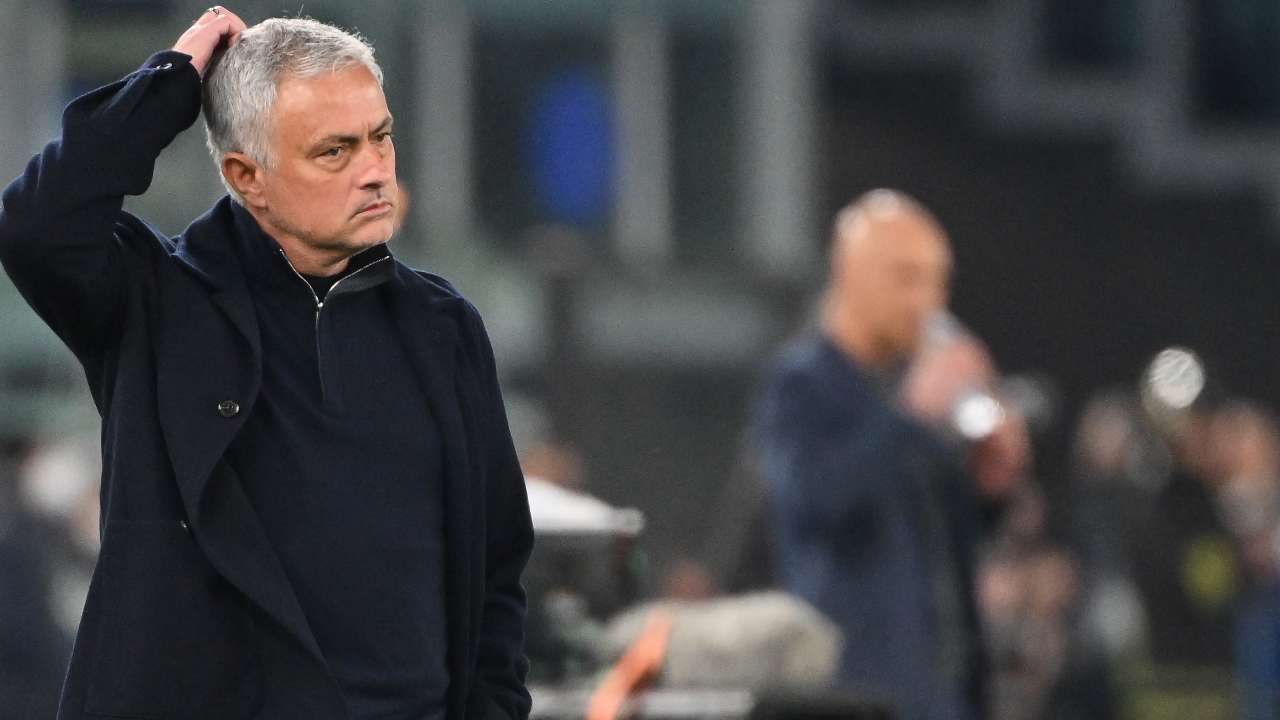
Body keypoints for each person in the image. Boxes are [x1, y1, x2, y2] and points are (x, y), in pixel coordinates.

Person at [0, 8, 532, 720]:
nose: (375, 171)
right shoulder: (156, 302)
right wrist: (168, 84)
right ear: (246, 176)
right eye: (335, 152)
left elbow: (496, 570)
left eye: (380, 136)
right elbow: (38, 226)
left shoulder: (443, 327)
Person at [754, 189, 1017, 720]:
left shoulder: (909, 389)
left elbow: (945, 543)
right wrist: (910, 414)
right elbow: (816, 502)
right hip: (855, 694)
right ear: (848, 274)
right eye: (906, 277)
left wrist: (991, 486)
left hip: (945, 694)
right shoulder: (802, 383)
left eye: (937, 281)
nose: (928, 302)